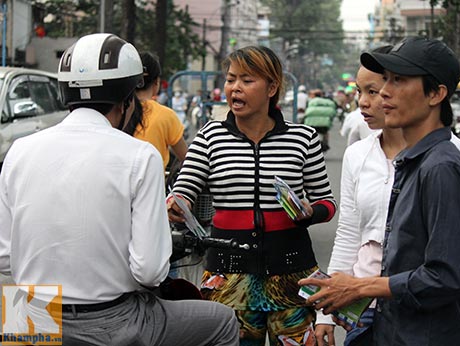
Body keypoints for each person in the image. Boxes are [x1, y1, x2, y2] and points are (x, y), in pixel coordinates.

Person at [0, 33, 239, 345]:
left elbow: (5, 258)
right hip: (108, 319)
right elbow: (150, 272)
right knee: (222, 322)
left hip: (27, 314)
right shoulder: (140, 156)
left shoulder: (20, 149)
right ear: (129, 100)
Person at [300, 36, 460, 345]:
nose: (384, 92)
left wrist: (361, 288)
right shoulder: (412, 162)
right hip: (388, 326)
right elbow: (353, 234)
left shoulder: (440, 167)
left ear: (436, 94)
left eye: (398, 81)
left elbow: (448, 276)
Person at [167, 45, 337, 345]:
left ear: (272, 87)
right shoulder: (209, 137)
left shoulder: (303, 139)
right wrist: (176, 204)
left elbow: (327, 201)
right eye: (231, 79)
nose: (235, 88)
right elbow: (184, 189)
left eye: (247, 80)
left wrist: (311, 212)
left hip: (293, 274)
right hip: (227, 276)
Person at [134, 52, 188, 169]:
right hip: (155, 185)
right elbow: (186, 158)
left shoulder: (118, 111)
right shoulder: (166, 115)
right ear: (156, 82)